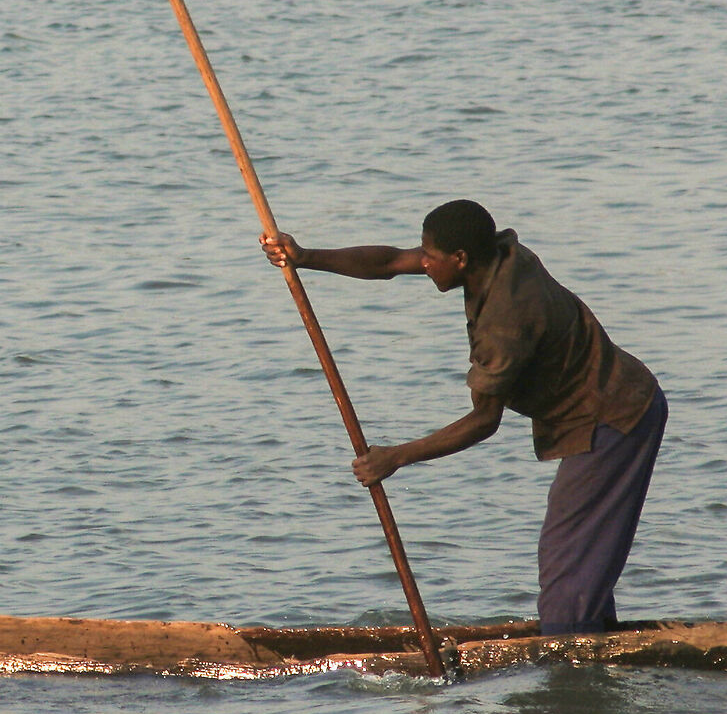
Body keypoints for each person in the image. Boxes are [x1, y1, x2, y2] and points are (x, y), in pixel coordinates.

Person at [262, 199, 664, 635]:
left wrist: (395, 457)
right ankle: (591, 635)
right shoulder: (496, 254)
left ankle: (570, 653)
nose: (424, 263)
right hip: (604, 408)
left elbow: (483, 421)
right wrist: (306, 258)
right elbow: (392, 261)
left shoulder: (504, 319)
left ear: (461, 259)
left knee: (567, 559)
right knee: (582, 552)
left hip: (614, 417)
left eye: (431, 258)